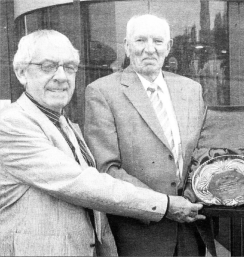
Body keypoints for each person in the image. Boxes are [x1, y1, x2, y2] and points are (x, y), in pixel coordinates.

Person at [0, 29, 204, 256]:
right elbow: (81, 183)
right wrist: (165, 205)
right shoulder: (10, 125)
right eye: (47, 66)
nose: (61, 77)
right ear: (21, 73)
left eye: (69, 67)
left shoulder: (62, 122)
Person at [84, 14, 206, 256]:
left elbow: (205, 153)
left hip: (190, 234)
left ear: (169, 47)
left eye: (158, 41)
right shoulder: (102, 92)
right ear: (127, 46)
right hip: (139, 236)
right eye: (140, 40)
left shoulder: (191, 90)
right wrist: (165, 206)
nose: (149, 49)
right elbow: (106, 169)